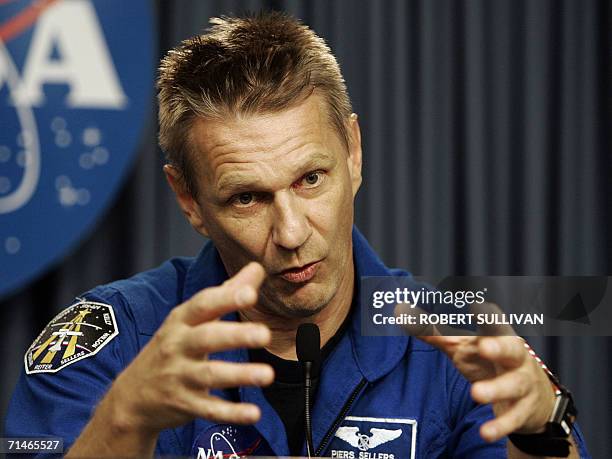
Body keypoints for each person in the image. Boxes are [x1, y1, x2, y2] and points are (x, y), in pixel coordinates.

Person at [5, 12, 589, 458]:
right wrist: (127, 419)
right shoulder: (114, 337)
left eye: (310, 179)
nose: (290, 232)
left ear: (354, 153)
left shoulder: (448, 347)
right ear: (189, 199)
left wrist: (541, 429)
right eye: (247, 198)